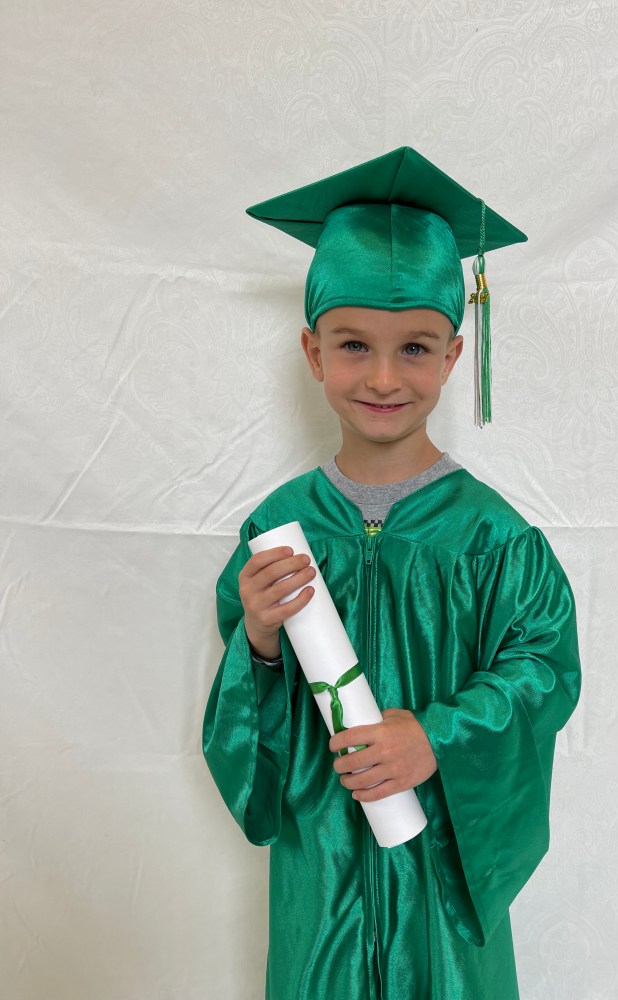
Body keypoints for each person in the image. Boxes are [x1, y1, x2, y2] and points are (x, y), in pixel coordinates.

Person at [202, 147, 581, 999]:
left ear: (453, 354)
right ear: (313, 352)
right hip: (322, 874)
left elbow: (544, 675)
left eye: (413, 346)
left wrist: (436, 737)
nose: (382, 376)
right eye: (353, 345)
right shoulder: (276, 532)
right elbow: (246, 726)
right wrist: (258, 642)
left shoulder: (494, 538)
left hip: (438, 878)